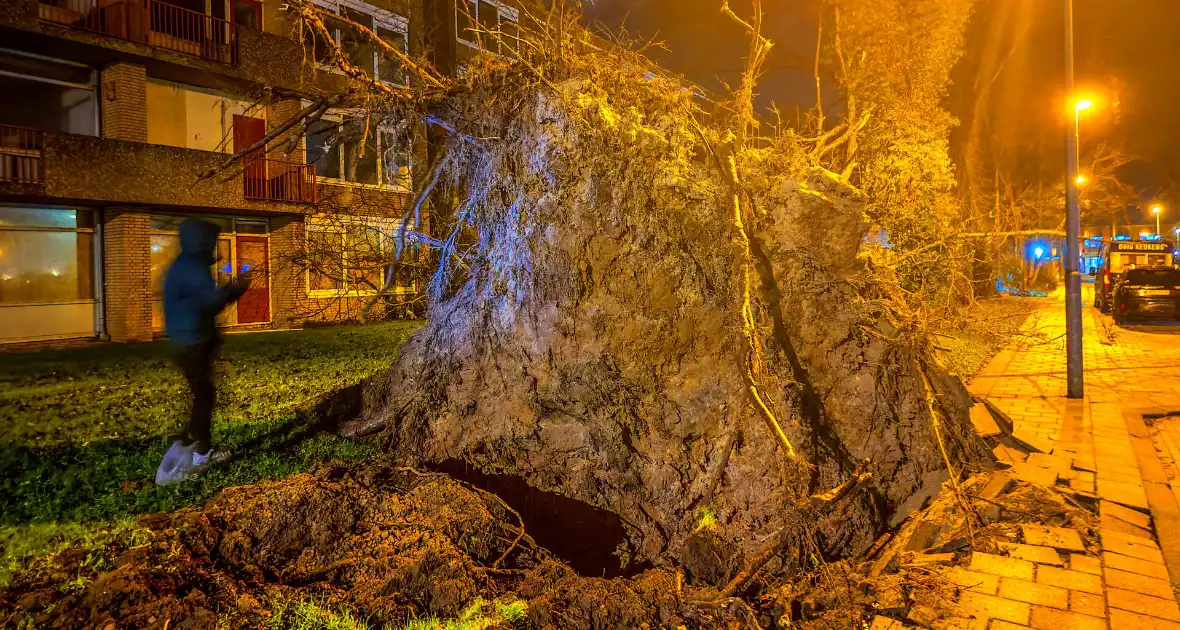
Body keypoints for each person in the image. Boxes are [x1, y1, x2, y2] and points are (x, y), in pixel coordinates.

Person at [155, 218, 252, 486]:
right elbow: (210, 303)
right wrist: (236, 289)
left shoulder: (183, 265)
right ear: (203, 242)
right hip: (193, 342)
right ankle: (200, 451)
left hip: (185, 341)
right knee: (204, 396)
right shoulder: (193, 269)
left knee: (203, 394)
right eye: (211, 242)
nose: (215, 249)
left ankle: (189, 441)